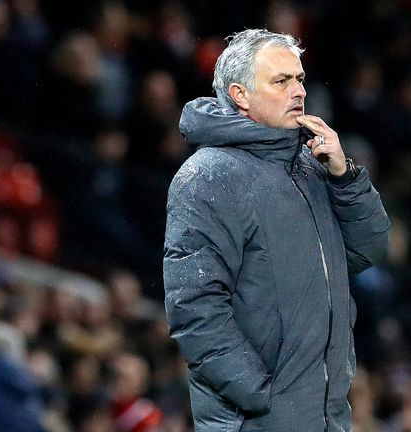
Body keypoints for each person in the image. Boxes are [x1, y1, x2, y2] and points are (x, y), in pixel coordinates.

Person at [163, 29, 391, 431]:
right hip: (257, 420)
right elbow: (195, 308)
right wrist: (260, 395)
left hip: (324, 416)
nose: (299, 91)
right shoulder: (208, 176)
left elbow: (367, 249)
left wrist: (345, 177)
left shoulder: (312, 165)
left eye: (299, 78)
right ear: (241, 96)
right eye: (281, 81)